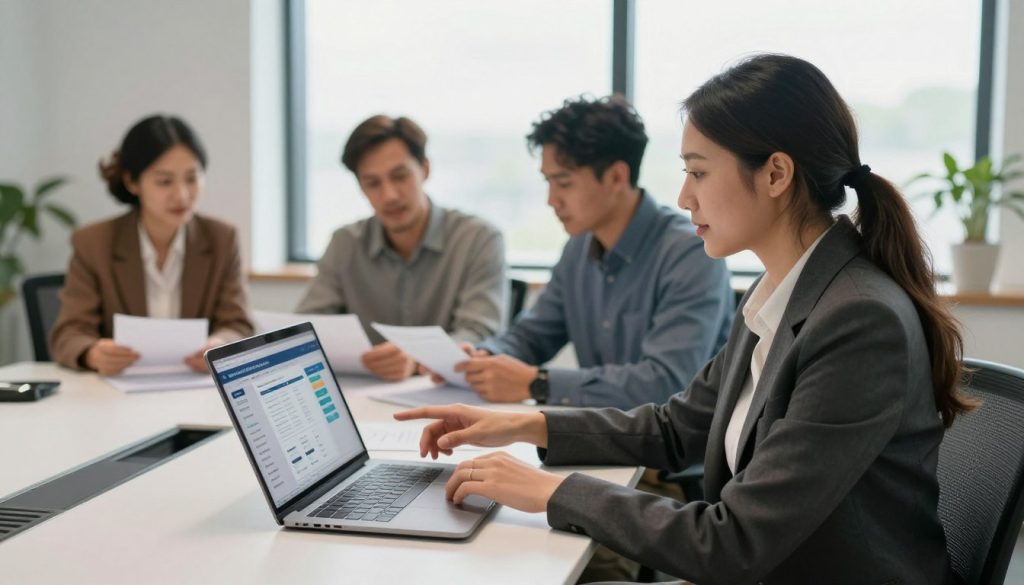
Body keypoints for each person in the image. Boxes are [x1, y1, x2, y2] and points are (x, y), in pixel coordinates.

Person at [396, 54, 972, 584]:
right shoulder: (781, 292)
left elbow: (735, 542)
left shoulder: (857, 321)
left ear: (775, 175)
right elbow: (676, 428)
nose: (683, 196)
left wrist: (550, 490)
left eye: (698, 172)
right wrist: (522, 425)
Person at [438, 95, 733, 409]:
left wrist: (536, 383)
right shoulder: (579, 247)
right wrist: (485, 357)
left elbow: (665, 383)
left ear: (617, 177)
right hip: (601, 438)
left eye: (563, 183)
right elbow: (532, 335)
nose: (552, 200)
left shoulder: (690, 253)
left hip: (674, 452)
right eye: (548, 182)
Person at [296, 115, 505, 382]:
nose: (389, 195)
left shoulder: (478, 239)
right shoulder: (344, 243)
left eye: (400, 176)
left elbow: (478, 333)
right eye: (373, 183)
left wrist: (417, 359)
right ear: (360, 187)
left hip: (448, 395)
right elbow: (307, 328)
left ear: (425, 169)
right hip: (366, 395)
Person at [50, 115, 254, 375]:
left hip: (195, 387)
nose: (181, 195)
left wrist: (221, 345)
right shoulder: (94, 242)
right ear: (132, 182)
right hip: (115, 395)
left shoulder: (222, 239)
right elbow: (69, 332)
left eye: (192, 178)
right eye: (164, 181)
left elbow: (238, 323)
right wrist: (93, 352)